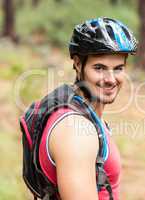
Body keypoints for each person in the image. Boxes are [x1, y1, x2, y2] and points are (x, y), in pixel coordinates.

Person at [22, 17, 138, 200]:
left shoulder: (84, 115)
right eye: (99, 68)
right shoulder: (75, 132)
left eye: (118, 68)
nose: (110, 79)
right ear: (77, 63)